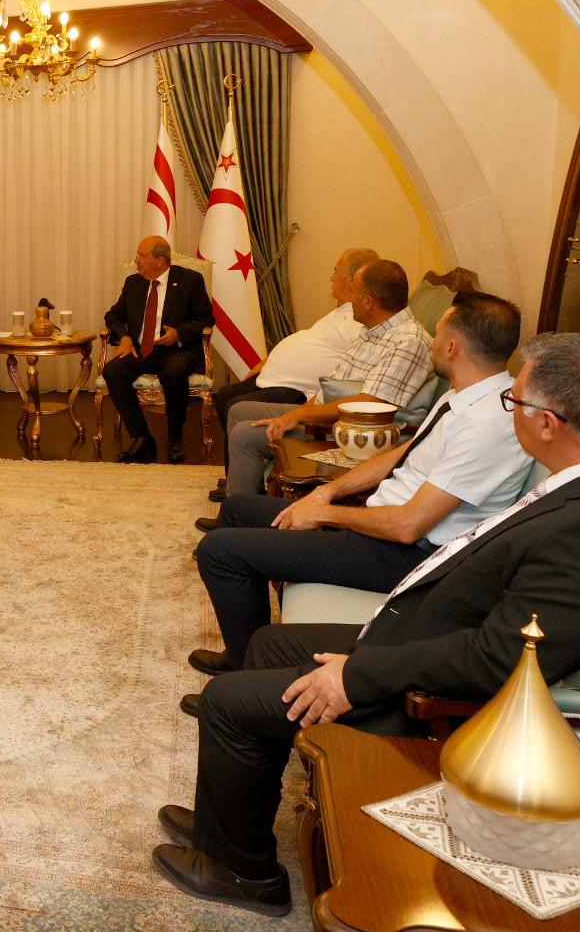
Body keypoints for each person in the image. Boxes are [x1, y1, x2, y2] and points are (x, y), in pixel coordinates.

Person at [153, 333, 580, 918]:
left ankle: (244, 875)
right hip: (430, 633)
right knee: (272, 643)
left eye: (515, 402)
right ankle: (229, 825)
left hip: (447, 693)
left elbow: (499, 659)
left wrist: (358, 676)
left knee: (230, 703)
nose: (510, 412)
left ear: (548, 423)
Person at [185, 292, 532, 683]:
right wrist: (328, 492)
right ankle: (245, 652)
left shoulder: (488, 424)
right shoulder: (465, 396)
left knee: (220, 551)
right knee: (238, 510)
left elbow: (408, 526)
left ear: (452, 347)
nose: (432, 343)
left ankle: (245, 678)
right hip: (382, 525)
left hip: (410, 556)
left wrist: (326, 514)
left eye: (437, 335)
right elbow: (402, 453)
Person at [221, 259, 432, 496]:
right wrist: (298, 414)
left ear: (368, 302)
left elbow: (370, 404)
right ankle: (244, 492)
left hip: (346, 433)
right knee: (239, 410)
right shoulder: (369, 332)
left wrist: (298, 416)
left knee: (245, 435)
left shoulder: (408, 341)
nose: (350, 301)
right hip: (326, 418)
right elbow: (329, 388)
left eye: (353, 292)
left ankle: (243, 512)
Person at [207, 248, 378, 491]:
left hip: (297, 389)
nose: (331, 277)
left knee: (236, 405)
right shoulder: (342, 311)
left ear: (352, 280)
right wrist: (269, 361)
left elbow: (350, 369)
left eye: (336, 271)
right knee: (225, 395)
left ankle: (246, 482)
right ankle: (238, 474)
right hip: (276, 378)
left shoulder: (359, 322)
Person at [101, 235, 214, 464]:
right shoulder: (133, 283)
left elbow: (205, 318)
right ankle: (141, 437)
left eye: (142, 255)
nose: (136, 260)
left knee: (174, 372)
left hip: (176, 350)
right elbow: (113, 316)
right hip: (141, 350)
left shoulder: (190, 280)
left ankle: (175, 438)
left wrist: (178, 333)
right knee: (113, 370)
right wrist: (124, 337)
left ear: (160, 260)